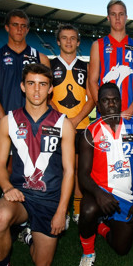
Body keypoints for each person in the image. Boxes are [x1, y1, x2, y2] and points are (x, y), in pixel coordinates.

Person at [0, 63, 75, 266]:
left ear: (50, 89)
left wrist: (61, 211)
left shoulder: (64, 124)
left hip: (49, 200)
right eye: (31, 84)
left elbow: (69, 171)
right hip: (21, 196)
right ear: (23, 86)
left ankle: (30, 234)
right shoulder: (8, 122)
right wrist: (6, 187)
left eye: (43, 84)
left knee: (42, 265)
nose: (36, 90)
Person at [75, 83, 133, 266]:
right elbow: (83, 175)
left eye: (115, 100)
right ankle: (88, 253)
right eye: (106, 100)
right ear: (99, 105)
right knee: (87, 210)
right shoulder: (90, 132)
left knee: (122, 248)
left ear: (121, 102)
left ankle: (102, 227)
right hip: (100, 193)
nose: (111, 104)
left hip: (127, 196)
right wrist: (98, 194)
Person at [50, 24, 94, 226]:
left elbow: (92, 98)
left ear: (78, 42)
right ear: (58, 41)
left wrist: (75, 121)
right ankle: (61, 210)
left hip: (81, 126)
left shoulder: (86, 67)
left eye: (73, 38)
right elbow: (45, 98)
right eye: (64, 38)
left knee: (77, 170)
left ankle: (76, 210)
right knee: (56, 169)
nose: (68, 41)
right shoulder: (49, 65)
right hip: (55, 126)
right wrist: (61, 119)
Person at [0, 9, 50, 134]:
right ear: (7, 27)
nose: (19, 29)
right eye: (15, 25)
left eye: (23, 26)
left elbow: (47, 96)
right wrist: (7, 126)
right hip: (4, 124)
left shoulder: (41, 58)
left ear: (27, 29)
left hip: (34, 126)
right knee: (6, 155)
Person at [87, 0, 133, 119]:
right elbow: (92, 81)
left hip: (130, 115)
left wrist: (131, 109)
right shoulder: (98, 45)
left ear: (126, 17)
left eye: (121, 14)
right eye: (113, 14)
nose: (117, 18)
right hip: (104, 114)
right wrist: (100, 106)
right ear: (108, 18)